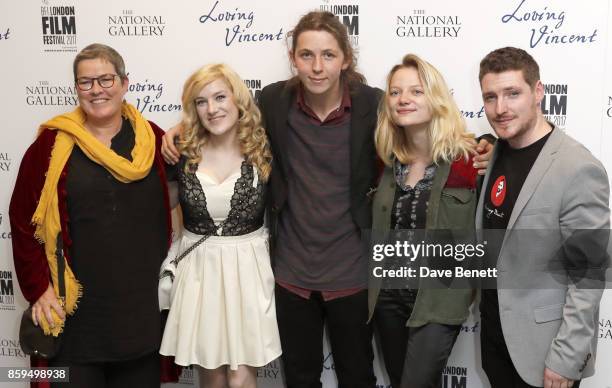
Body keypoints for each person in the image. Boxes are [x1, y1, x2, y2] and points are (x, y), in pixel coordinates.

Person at [162, 11, 491, 387]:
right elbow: (223, 112)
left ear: (345, 59)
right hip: (289, 275)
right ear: (293, 59)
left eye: (329, 55)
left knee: (357, 376)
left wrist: (486, 145)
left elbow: (425, 129)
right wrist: (181, 128)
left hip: (353, 274)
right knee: (300, 379)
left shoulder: (375, 105)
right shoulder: (273, 101)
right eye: (306, 55)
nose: (317, 67)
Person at [9, 43, 173, 388]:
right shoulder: (49, 147)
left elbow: (199, 181)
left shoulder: (155, 140)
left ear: (125, 83)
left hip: (138, 316)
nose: (96, 89)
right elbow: (23, 221)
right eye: (86, 82)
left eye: (105, 79)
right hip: (75, 322)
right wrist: (38, 289)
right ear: (76, 89)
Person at [476, 47, 610, 388]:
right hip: (494, 341)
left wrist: (566, 359)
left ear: (538, 92)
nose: (500, 108)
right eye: (490, 97)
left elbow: (589, 276)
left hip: (544, 353)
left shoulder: (578, 168)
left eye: (512, 93)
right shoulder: (497, 152)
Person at [158, 63, 281, 388]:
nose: (212, 109)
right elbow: (159, 207)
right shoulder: (181, 153)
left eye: (219, 97)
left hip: (249, 268)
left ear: (237, 98)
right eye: (201, 101)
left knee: (242, 380)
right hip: (200, 270)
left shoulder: (264, 147)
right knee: (212, 379)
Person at [368, 54, 479, 388]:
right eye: (396, 92)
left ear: (436, 98)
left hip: (438, 296)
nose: (403, 99)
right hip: (387, 296)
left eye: (416, 91)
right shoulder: (385, 161)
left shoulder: (468, 160)